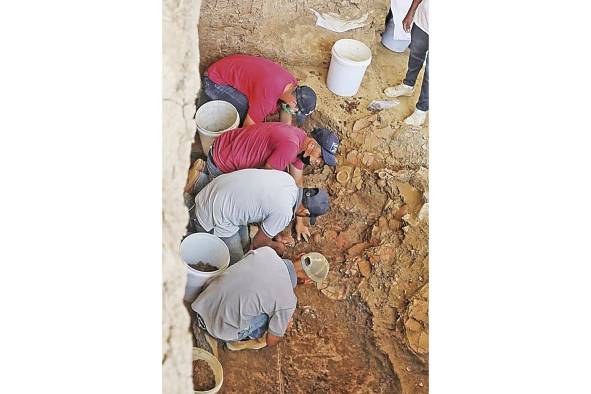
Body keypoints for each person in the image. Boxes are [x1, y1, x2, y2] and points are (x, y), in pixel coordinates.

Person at [184, 123, 339, 240]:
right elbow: (260, 186)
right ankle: (197, 183)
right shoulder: (290, 147)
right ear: (312, 145)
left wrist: (299, 221)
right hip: (223, 162)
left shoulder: (300, 140)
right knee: (230, 208)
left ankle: (202, 172)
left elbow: (298, 182)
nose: (320, 162)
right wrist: (270, 226)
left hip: (227, 146)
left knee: (230, 196)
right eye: (321, 157)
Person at [191, 247, 329, 351]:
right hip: (218, 329)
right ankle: (235, 342)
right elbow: (271, 341)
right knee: (272, 317)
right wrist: (283, 325)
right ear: (306, 281)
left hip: (203, 301)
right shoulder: (288, 301)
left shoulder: (266, 252)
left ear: (301, 256)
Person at [189, 168, 330, 264]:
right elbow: (258, 243)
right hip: (209, 216)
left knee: (244, 241)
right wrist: (277, 246)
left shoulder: (287, 180)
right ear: (306, 213)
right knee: (238, 265)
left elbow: (266, 202)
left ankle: (197, 185)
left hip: (215, 190)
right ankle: (188, 232)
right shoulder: (284, 212)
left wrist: (275, 234)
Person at [200, 54, 317, 127]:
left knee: (261, 113)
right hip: (213, 81)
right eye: (296, 111)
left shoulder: (291, 84)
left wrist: (286, 132)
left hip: (227, 70)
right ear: (293, 102)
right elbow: (248, 127)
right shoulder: (267, 97)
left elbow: (285, 108)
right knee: (247, 112)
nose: (294, 112)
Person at [384, 0, 429, 126]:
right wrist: (411, 12)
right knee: (415, 55)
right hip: (423, 22)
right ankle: (408, 86)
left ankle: (421, 110)